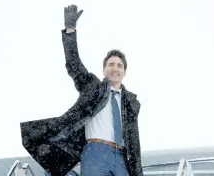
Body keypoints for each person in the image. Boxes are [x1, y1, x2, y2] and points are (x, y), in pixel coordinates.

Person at [20, 4, 143, 176]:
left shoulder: (131, 102)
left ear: (124, 72)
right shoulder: (93, 88)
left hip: (122, 156)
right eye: (111, 65)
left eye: (119, 66)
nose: (115, 68)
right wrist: (70, 30)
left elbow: (134, 141)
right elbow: (74, 64)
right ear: (104, 69)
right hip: (96, 151)